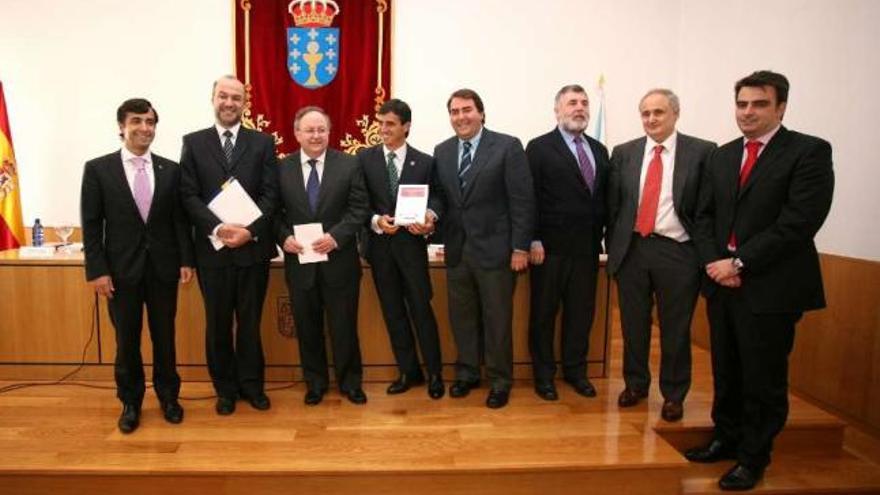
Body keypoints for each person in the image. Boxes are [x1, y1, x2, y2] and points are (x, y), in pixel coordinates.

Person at [686, 71, 834, 491]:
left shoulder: (808, 152)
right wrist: (715, 262)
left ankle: (754, 457)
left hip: (770, 287)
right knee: (726, 370)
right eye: (742, 104)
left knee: (762, 377)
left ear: (781, 107)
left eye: (759, 104)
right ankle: (725, 438)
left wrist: (740, 263)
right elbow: (704, 216)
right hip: (720, 282)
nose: (748, 112)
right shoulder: (722, 155)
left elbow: (799, 222)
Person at [81, 98, 194, 433]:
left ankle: (169, 397)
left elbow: (179, 221)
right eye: (137, 121)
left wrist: (186, 260)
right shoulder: (98, 169)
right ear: (121, 126)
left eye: (150, 122)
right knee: (126, 341)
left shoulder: (170, 169)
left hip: (163, 270)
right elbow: (91, 224)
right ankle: (131, 402)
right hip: (119, 273)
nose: (145, 128)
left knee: (165, 337)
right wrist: (97, 270)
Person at [607, 89, 716, 421]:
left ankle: (674, 394)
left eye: (659, 112)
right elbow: (614, 206)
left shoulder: (702, 151)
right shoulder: (623, 153)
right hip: (633, 250)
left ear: (675, 114)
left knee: (675, 328)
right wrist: (614, 246)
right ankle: (636, 384)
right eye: (645, 113)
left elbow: (707, 207)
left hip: (678, 252)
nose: (651, 119)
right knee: (633, 325)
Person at [425, 88, 534, 409]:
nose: (461, 117)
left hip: (497, 252)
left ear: (482, 113)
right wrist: (431, 213)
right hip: (457, 251)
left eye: (467, 110)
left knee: (497, 319)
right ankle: (468, 373)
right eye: (455, 112)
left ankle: (500, 381)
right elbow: (441, 197)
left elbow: (523, 201)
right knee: (463, 317)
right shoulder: (442, 151)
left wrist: (520, 248)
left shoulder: (507, 146)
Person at [180, 75, 279, 415]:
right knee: (218, 324)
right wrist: (219, 228)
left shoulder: (263, 143)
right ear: (213, 98)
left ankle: (252, 387)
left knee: (251, 323)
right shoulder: (193, 143)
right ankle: (224, 389)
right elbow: (187, 195)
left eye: (236, 98)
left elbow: (271, 194)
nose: (229, 103)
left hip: (252, 250)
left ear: (244, 104)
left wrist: (249, 231)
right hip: (212, 251)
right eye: (223, 96)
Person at [276, 106, 370, 406]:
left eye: (321, 130)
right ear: (297, 133)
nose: (316, 136)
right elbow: (273, 214)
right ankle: (314, 383)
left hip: (339, 263)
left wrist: (336, 237)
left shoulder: (350, 165)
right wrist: (283, 237)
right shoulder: (281, 168)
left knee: (344, 327)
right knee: (307, 327)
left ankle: (350, 382)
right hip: (300, 263)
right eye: (309, 130)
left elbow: (359, 210)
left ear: (329, 133)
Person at [526, 84, 609, 401]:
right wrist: (532, 237)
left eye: (584, 103)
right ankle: (544, 376)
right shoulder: (539, 147)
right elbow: (529, 198)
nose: (580, 108)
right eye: (572, 103)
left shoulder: (599, 150)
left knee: (581, 314)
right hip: (548, 249)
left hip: (586, 250)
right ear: (557, 110)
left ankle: (576, 371)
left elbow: (603, 199)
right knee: (544, 315)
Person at [358, 98, 444, 399]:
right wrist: (376, 220)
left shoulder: (425, 162)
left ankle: (435, 373)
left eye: (390, 123)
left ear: (406, 126)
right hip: (380, 251)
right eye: (380, 123)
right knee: (393, 312)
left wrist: (429, 219)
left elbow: (437, 200)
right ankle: (409, 372)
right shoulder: (364, 159)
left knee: (421, 310)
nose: (383, 129)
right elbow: (359, 203)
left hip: (412, 250)